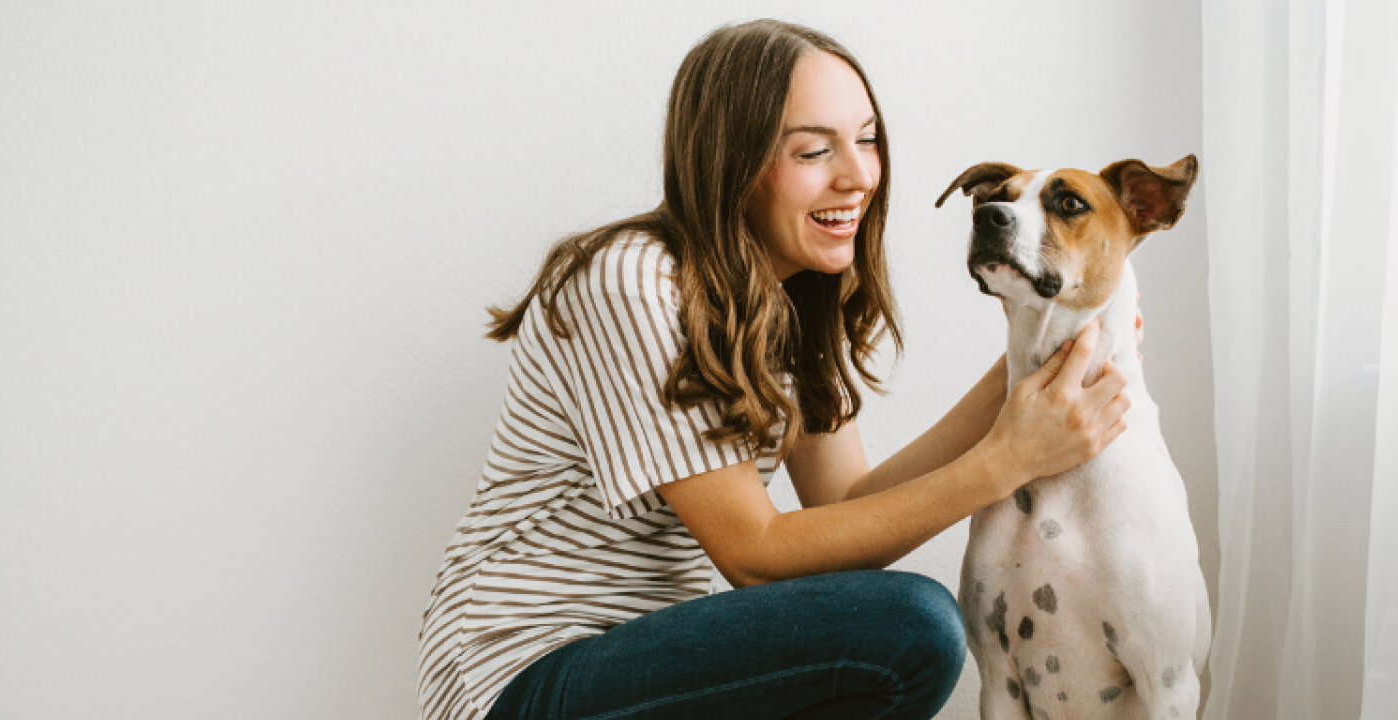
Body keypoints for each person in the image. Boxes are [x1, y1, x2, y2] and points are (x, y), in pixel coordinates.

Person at [418, 19, 1132, 720]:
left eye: (868, 140)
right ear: (734, 159)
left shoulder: (783, 304)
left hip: (640, 662)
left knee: (896, 623)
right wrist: (1005, 462)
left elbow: (845, 504)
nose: (859, 177)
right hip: (521, 677)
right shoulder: (631, 279)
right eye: (814, 151)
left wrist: (1029, 367)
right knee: (910, 625)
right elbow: (753, 554)